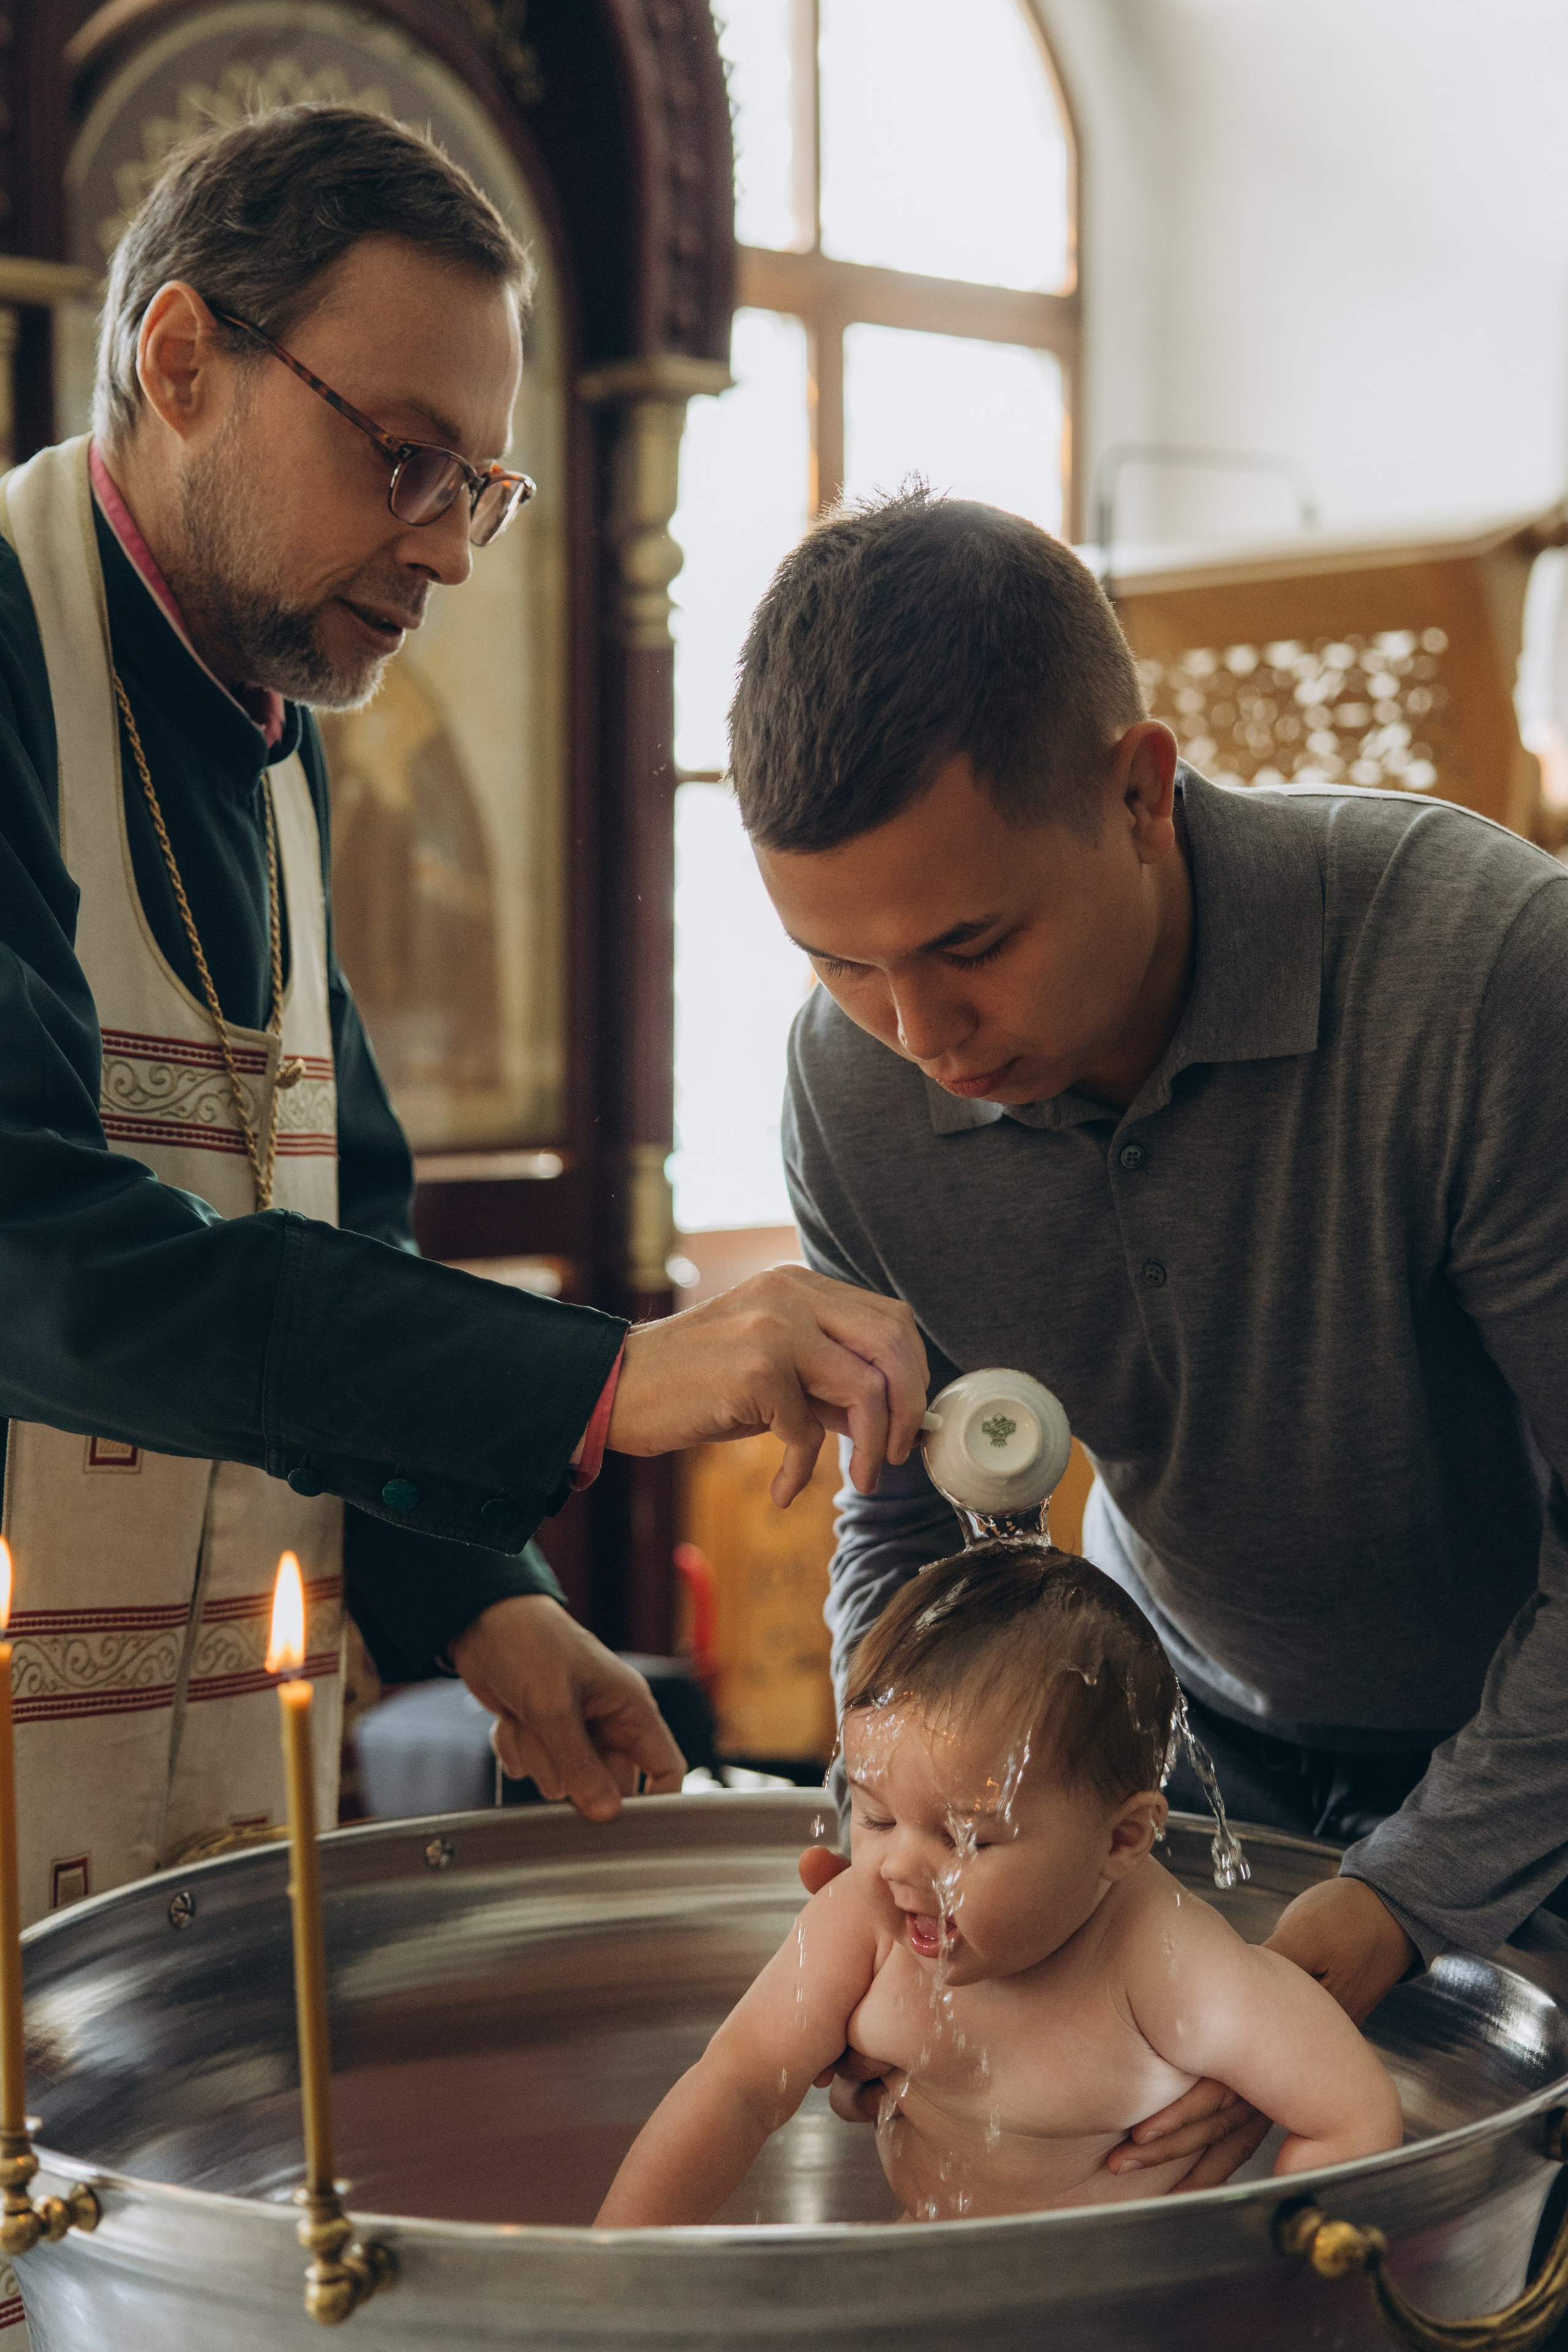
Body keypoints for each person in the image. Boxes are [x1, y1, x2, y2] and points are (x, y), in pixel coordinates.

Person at [0, 104, 926, 1926]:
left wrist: (481, 1594)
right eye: (409, 460)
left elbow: (328, 1211)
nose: (449, 552)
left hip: (198, 1794)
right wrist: (611, 1374)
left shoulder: (267, 725)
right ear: (181, 359)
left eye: (477, 490)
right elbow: (28, 1250)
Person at [725, 484, 1568, 2187]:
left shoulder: (1485, 980)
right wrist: (893, 1820)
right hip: (1175, 1765)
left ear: (1140, 792)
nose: (924, 1036)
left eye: (972, 945)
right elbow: (911, 1525)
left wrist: (1408, 1896)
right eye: (841, 963)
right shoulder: (853, 1087)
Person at [595, 1545, 1401, 2225]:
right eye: (875, 1818)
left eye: (966, 1837)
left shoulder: (1170, 1965)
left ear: (1121, 1840)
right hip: (933, 2268)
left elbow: (1352, 2118)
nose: (901, 1868)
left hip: (1128, 2309)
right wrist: (611, 2274)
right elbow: (737, 2087)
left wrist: (1272, 2296)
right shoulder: (865, 1926)